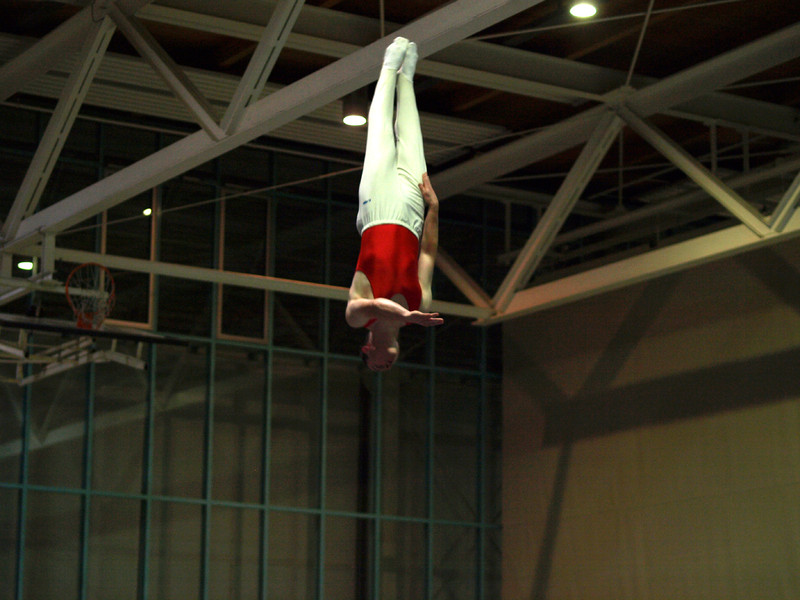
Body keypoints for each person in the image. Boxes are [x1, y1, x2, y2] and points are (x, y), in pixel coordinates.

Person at [346, 37, 443, 372]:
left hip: (378, 212)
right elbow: (427, 253)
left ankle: (388, 66)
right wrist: (434, 209)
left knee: (381, 138)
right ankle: (407, 76)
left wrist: (406, 316)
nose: (386, 366)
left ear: (367, 349)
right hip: (413, 217)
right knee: (411, 136)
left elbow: (376, 305)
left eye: (378, 367)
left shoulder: (357, 317)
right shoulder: (421, 304)